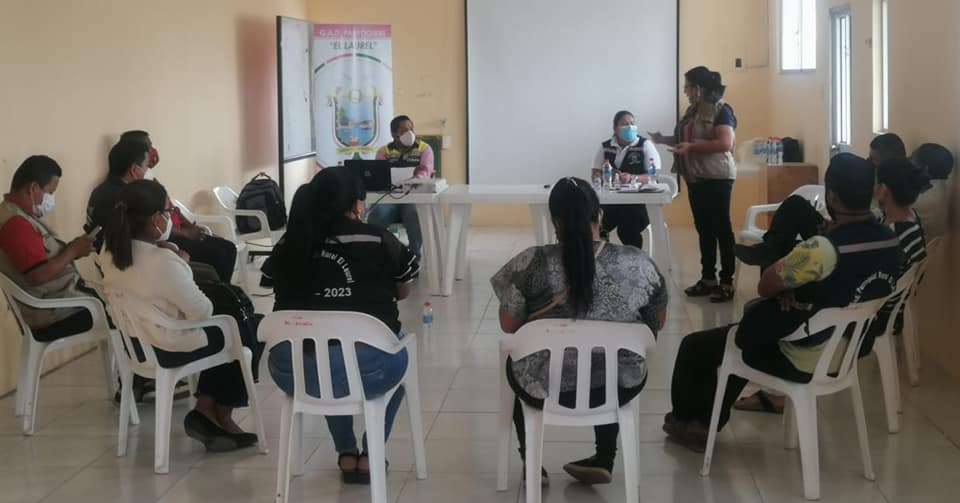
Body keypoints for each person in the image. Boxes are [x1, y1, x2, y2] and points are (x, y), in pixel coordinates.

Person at [664, 154, 902, 452]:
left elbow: (765, 286)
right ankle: (705, 422)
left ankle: (689, 423)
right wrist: (799, 287)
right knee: (741, 338)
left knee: (698, 346)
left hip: (803, 356)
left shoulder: (822, 250)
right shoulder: (889, 240)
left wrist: (788, 282)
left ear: (831, 196)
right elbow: (849, 283)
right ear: (872, 193)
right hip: (849, 349)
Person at [490, 177, 668, 485]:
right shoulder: (638, 262)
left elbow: (508, 325)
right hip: (619, 387)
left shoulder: (530, 263)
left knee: (518, 360)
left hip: (543, 388)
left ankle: (533, 465)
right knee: (609, 362)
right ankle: (605, 457)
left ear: (555, 221)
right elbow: (658, 322)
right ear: (600, 215)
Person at [265, 167, 418, 485]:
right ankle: (371, 451)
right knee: (388, 356)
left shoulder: (290, 244)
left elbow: (271, 285)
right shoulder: (377, 239)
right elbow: (404, 290)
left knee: (323, 352)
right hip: (368, 370)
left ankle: (346, 450)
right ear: (356, 204)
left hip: (291, 371)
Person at [99, 180, 259, 452]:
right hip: (170, 346)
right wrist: (182, 264)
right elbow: (202, 311)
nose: (169, 217)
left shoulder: (110, 251)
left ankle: (209, 410)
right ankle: (217, 412)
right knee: (242, 325)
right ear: (154, 219)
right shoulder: (163, 262)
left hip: (137, 343)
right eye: (167, 212)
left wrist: (170, 255)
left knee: (231, 317)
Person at [649, 66, 737, 302]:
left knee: (721, 229)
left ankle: (727, 282)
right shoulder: (692, 111)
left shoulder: (721, 110)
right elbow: (686, 139)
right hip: (695, 178)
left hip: (717, 178)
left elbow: (725, 143)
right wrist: (663, 139)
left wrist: (692, 147)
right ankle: (708, 278)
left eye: (687, 86)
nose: (685, 91)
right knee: (704, 229)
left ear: (699, 89)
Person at [118, 130, 238, 283]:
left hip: (178, 229)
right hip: (169, 235)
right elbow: (151, 224)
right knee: (218, 254)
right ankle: (216, 291)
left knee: (228, 247)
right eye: (149, 147)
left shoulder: (149, 176)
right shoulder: (135, 188)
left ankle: (224, 290)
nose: (153, 151)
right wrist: (186, 233)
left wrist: (188, 225)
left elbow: (171, 207)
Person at [0, 156, 97, 340]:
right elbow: (37, 275)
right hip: (52, 314)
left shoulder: (20, 215)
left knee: (113, 305)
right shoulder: (15, 223)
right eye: (50, 192)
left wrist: (73, 249)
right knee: (121, 316)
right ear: (33, 188)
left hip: (56, 302)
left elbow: (39, 259)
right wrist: (72, 252)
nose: (52, 199)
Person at [366, 115, 435, 259]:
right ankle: (385, 252)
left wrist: (416, 178)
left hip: (413, 199)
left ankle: (413, 256)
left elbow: (426, 171)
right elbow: (379, 176)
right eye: (404, 131)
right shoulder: (383, 151)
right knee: (376, 217)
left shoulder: (424, 149)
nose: (410, 133)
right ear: (394, 134)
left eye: (411, 129)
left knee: (414, 213)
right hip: (390, 199)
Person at [592, 110, 661, 249]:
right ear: (615, 128)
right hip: (612, 202)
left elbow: (653, 175)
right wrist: (607, 177)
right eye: (624, 124)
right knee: (596, 224)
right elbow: (595, 172)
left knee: (627, 229)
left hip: (638, 204)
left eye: (632, 123)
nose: (630, 127)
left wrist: (633, 178)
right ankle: (602, 255)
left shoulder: (644, 145)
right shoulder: (605, 146)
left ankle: (635, 259)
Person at [911, 143, 954, 241]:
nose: (908, 162)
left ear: (925, 169)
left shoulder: (922, 201)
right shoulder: (941, 188)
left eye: (912, 160)